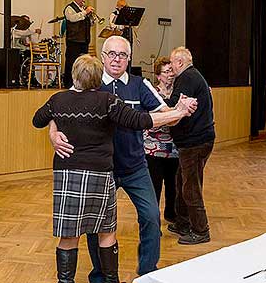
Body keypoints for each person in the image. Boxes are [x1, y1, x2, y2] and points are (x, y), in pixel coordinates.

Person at [32, 54, 194, 283]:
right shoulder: (107, 100)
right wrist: (179, 112)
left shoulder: (58, 99)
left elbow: (37, 119)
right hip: (100, 173)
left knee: (70, 234)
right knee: (105, 231)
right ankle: (109, 280)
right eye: (112, 54)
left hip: (69, 176)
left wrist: (52, 124)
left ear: (74, 76)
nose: (117, 59)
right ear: (99, 77)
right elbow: (140, 121)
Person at [165, 47, 215, 245]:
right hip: (195, 141)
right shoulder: (193, 76)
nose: (170, 67)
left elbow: (175, 106)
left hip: (194, 143)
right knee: (181, 182)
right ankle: (183, 223)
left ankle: (201, 230)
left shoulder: (186, 78)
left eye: (171, 62)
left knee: (190, 187)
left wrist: (155, 100)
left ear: (179, 62)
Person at [143, 57, 179, 223]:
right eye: (166, 72)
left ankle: (171, 215)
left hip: (174, 149)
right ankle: (153, 221)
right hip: (154, 150)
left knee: (173, 186)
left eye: (171, 71)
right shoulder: (151, 94)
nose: (170, 75)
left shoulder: (178, 93)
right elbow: (151, 120)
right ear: (158, 76)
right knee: (154, 187)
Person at [63, 0, 94, 88]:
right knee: (71, 63)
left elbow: (90, 23)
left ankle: (82, 83)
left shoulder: (83, 9)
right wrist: (85, 12)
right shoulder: (69, 8)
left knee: (83, 63)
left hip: (84, 40)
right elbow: (72, 18)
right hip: (73, 40)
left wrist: (91, 18)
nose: (83, 1)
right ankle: (68, 84)